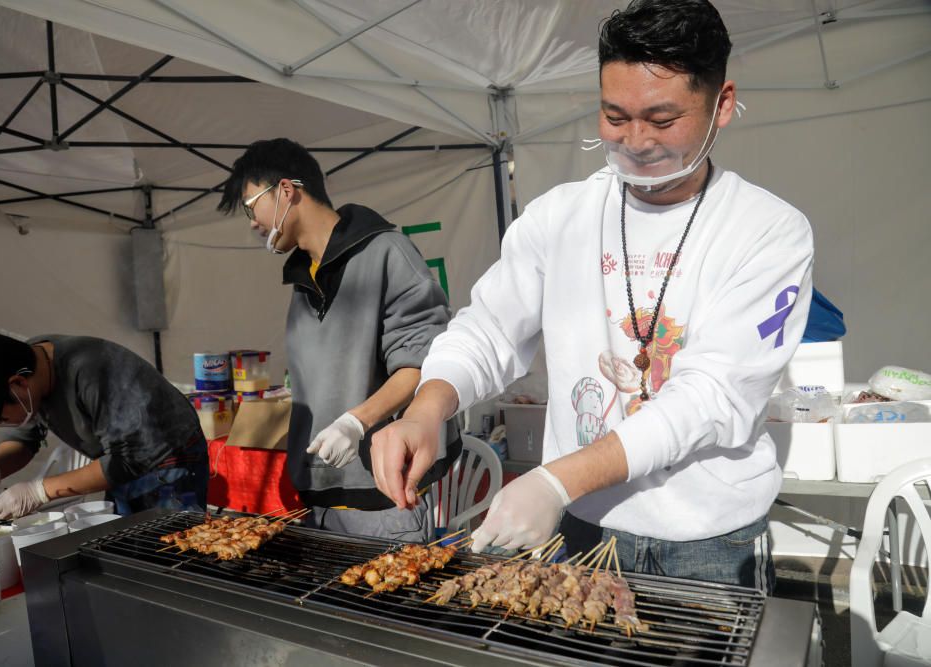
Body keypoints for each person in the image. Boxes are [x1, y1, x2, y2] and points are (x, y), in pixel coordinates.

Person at [370, 0, 814, 591]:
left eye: (662, 119)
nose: (635, 141)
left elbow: (711, 395)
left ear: (722, 105)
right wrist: (429, 408)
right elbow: (489, 329)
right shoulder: (562, 216)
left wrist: (557, 480)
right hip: (580, 526)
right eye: (614, 115)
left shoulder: (767, 231)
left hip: (705, 538)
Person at [217, 138, 461, 543]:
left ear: (286, 191)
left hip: (386, 502)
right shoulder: (302, 279)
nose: (252, 222)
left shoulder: (387, 253)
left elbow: (423, 363)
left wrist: (355, 421)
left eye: (250, 205)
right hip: (320, 500)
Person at [0, 332, 208, 518]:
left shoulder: (91, 371)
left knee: (172, 550)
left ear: (18, 385)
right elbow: (24, 437)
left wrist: (38, 491)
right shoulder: (26, 366)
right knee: (133, 549)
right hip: (118, 461)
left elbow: (127, 461)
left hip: (169, 462)